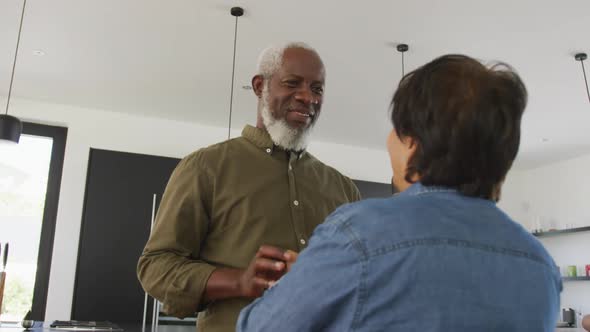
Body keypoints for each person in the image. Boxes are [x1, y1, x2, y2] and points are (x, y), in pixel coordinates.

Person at [237, 54, 562, 331]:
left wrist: (301, 283)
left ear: (413, 142)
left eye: (395, 129)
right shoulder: (541, 265)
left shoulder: (358, 234)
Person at [136, 42, 360, 332]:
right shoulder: (206, 167)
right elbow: (156, 267)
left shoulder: (343, 189)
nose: (308, 97)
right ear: (259, 86)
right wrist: (238, 281)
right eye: (293, 83)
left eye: (317, 89)